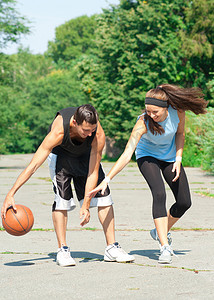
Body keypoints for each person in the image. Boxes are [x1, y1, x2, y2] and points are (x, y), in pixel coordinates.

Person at [1, 104, 134, 266]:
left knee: (104, 196)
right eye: (86, 130)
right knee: (62, 200)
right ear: (74, 123)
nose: (90, 134)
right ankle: (62, 250)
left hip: (86, 158)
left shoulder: (97, 133)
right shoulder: (58, 131)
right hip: (60, 158)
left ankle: (111, 248)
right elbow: (33, 165)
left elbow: (93, 172)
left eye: (92, 129)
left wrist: (85, 204)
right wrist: (11, 193)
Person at [88, 84, 208, 264]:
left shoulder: (178, 112)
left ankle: (159, 230)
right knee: (159, 193)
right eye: (148, 111)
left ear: (166, 107)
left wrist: (178, 158)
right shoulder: (143, 122)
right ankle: (164, 246)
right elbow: (127, 153)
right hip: (147, 157)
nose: (151, 115)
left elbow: (180, 134)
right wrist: (107, 179)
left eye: (155, 112)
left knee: (184, 201)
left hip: (170, 157)